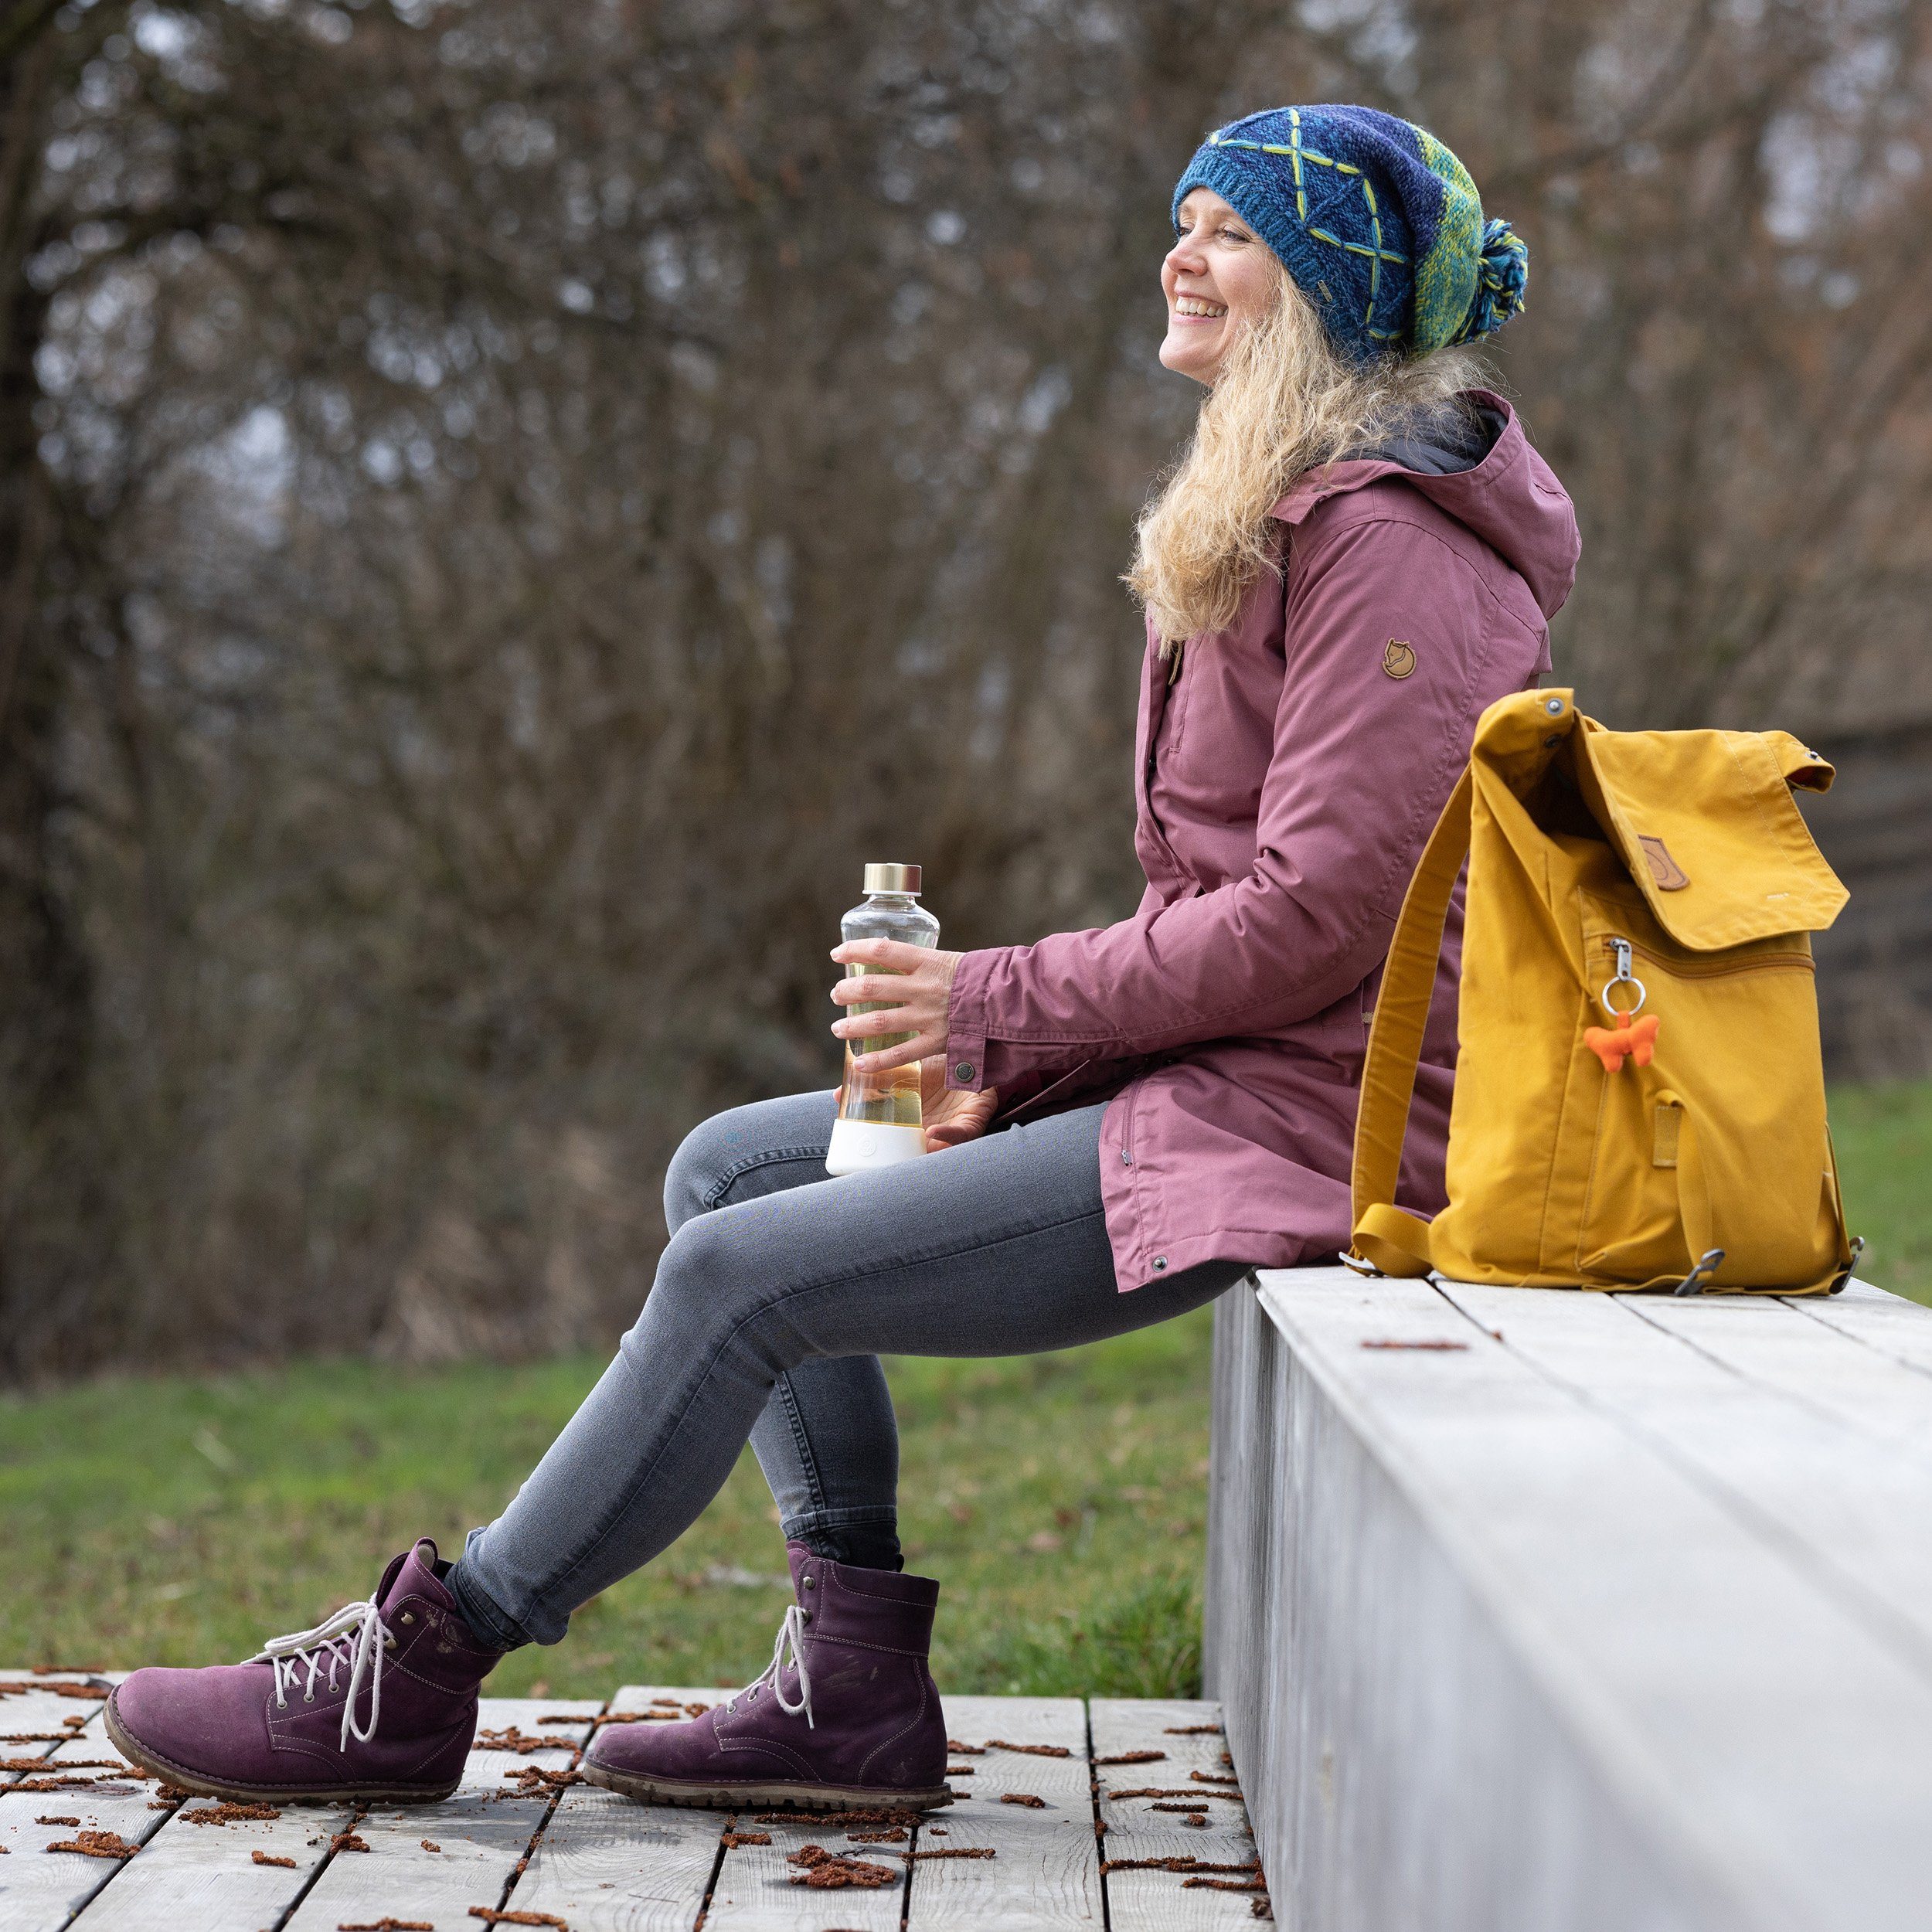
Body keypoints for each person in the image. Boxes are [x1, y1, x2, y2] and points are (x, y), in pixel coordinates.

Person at [104, 104, 1579, 1811]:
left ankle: (426, 1663)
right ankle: (850, 1684)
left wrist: (994, 1006)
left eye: (1226, 233)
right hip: (1234, 1080)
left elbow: (1315, 922)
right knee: (728, 1170)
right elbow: (1248, 917)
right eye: (1179, 218)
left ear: (1323, 291)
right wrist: (1013, 1060)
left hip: (1318, 1127)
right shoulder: (1312, 509)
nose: (1176, 256)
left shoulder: (1393, 546)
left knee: (738, 1276)